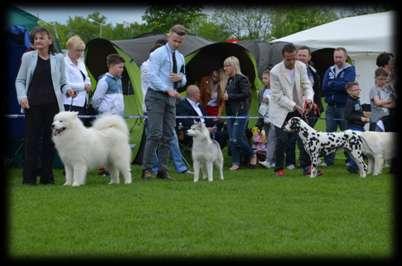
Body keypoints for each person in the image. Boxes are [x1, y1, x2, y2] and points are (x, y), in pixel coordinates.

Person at [15, 27, 68, 185]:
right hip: (33, 106)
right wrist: (22, 96)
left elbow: (63, 82)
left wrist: (69, 89)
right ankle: (29, 178)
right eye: (36, 38)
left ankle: (47, 177)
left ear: (49, 41)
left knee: (50, 141)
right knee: (32, 141)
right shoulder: (27, 57)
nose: (38, 40)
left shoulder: (58, 58)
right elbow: (20, 81)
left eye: (41, 38)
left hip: (53, 107)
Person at [141, 24, 187, 180]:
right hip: (155, 96)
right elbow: (152, 76)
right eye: (175, 40)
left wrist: (180, 79)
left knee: (168, 135)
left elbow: (184, 77)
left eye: (180, 42)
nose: (177, 44)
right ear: (169, 36)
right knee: (155, 134)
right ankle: (147, 169)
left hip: (171, 98)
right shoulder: (158, 54)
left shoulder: (180, 57)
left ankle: (162, 170)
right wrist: (167, 89)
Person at [267, 43, 314, 177]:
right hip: (281, 109)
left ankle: (307, 167)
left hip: (298, 107)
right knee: (282, 139)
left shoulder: (301, 66)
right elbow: (277, 96)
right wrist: (293, 105)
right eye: (288, 59)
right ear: (283, 57)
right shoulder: (275, 71)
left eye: (294, 58)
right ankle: (279, 168)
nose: (292, 61)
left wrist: (309, 99)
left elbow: (306, 85)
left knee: (304, 137)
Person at [322, 47, 356, 166]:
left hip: (344, 107)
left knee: (346, 134)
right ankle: (328, 160)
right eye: (336, 57)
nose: (338, 59)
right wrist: (338, 84)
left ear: (346, 57)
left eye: (340, 57)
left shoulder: (350, 69)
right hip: (330, 107)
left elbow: (347, 85)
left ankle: (350, 160)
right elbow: (324, 87)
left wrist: (333, 84)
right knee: (329, 134)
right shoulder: (330, 69)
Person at [223, 56, 256, 171]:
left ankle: (252, 154)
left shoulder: (242, 79)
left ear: (234, 66)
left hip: (240, 112)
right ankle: (235, 162)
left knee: (237, 137)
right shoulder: (229, 80)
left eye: (227, 65)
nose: (225, 68)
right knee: (232, 139)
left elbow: (246, 94)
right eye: (225, 65)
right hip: (231, 113)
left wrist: (230, 96)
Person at [63, 35, 92, 126]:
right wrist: (84, 86)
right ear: (69, 49)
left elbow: (87, 78)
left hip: (83, 102)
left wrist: (89, 84)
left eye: (82, 50)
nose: (80, 53)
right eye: (78, 50)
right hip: (70, 103)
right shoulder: (64, 63)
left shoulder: (81, 63)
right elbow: (65, 83)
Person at [344, 81, 370, 173]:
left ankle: (356, 166)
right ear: (349, 91)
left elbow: (356, 111)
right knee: (355, 148)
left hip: (359, 127)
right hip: (353, 127)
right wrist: (361, 118)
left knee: (359, 147)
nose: (358, 91)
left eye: (358, 89)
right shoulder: (349, 102)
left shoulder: (356, 100)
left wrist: (364, 114)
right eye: (355, 90)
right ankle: (352, 166)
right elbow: (347, 116)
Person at [257, 69, 276, 169]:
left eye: (266, 78)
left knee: (273, 139)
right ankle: (273, 161)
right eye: (263, 78)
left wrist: (270, 100)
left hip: (274, 118)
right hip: (265, 118)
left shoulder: (276, 90)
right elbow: (261, 104)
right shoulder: (262, 90)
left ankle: (268, 160)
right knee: (268, 139)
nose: (264, 80)